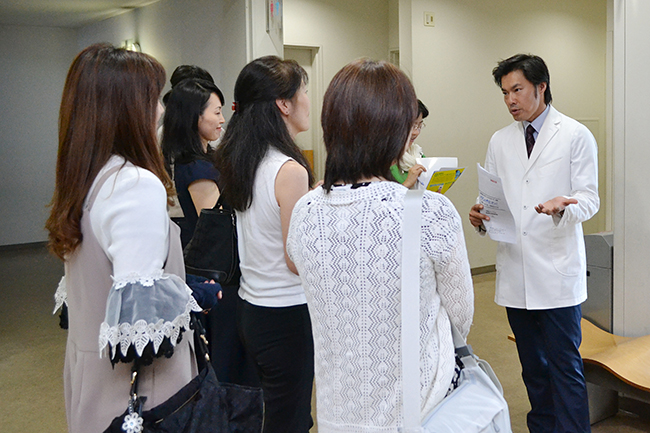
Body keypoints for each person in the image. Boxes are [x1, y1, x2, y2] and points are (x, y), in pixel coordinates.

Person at [286, 59, 474, 432]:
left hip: (338, 410)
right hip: (420, 409)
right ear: (399, 129)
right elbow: (461, 318)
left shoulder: (305, 211)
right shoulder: (430, 211)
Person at [46, 43, 201, 433]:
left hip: (92, 381)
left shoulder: (89, 180)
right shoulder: (133, 184)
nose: (161, 111)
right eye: (152, 99)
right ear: (126, 108)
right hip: (140, 396)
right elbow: (142, 331)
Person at [469, 54, 599, 432]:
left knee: (564, 366)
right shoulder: (500, 140)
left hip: (556, 271)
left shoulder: (574, 135)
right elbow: (491, 199)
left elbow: (590, 199)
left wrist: (565, 205)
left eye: (517, 90)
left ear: (541, 87)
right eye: (505, 92)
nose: (510, 99)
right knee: (533, 368)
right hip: (514, 270)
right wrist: (480, 216)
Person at [214, 55, 315, 432]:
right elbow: (295, 259)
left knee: (272, 411)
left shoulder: (246, 159)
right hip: (287, 314)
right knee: (290, 419)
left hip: (252, 307)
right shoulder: (289, 169)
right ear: (283, 104)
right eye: (304, 91)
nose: (309, 99)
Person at [161, 78, 225, 247]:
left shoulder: (203, 159)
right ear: (195, 116)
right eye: (217, 113)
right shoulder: (197, 169)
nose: (222, 120)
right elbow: (217, 229)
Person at [390, 99, 429, 188]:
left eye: (419, 126)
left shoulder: (417, 154)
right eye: (412, 126)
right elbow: (381, 200)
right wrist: (407, 184)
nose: (416, 132)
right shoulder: (382, 160)